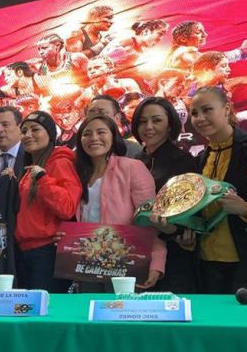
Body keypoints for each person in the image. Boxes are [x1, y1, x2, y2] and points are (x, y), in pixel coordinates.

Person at [184, 86, 247, 294]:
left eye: (207, 110)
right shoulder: (200, 160)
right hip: (207, 264)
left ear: (227, 109)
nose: (200, 118)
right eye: (194, 113)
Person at [74, 112, 166, 290]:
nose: (94, 138)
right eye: (87, 134)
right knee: (88, 313)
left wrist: (156, 263)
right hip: (88, 263)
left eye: (101, 132)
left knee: (121, 314)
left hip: (127, 262)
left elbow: (151, 220)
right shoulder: (77, 172)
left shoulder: (132, 167)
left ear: (113, 136)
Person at [131, 97, 198, 292]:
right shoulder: (136, 160)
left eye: (156, 120)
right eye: (142, 121)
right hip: (140, 251)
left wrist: (175, 231)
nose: (148, 127)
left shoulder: (183, 161)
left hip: (174, 255)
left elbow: (190, 213)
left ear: (170, 126)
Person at [12, 111, 81, 292]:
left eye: (35, 129)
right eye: (24, 131)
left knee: (43, 312)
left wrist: (42, 179)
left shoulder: (60, 162)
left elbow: (67, 207)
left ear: (51, 134)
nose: (28, 135)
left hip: (48, 253)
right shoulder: (27, 169)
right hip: (26, 252)